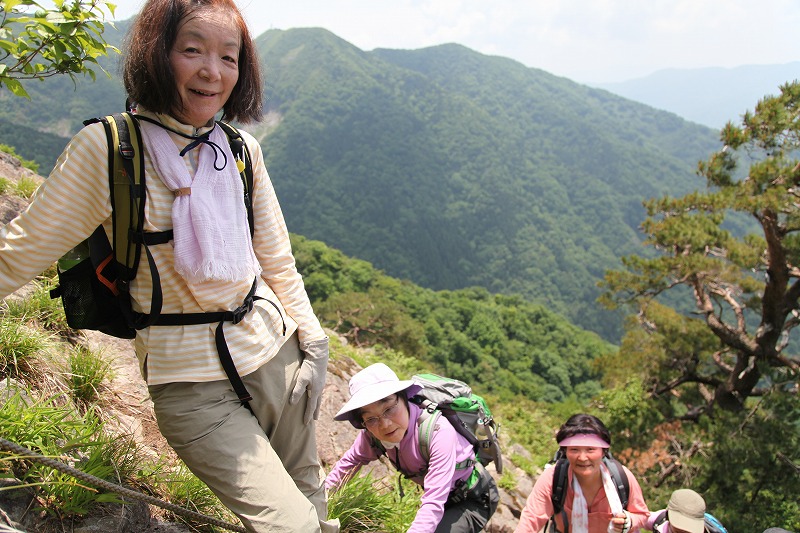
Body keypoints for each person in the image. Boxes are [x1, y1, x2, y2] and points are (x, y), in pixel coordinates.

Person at [0, 1, 338, 531]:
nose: (212, 71)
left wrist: (313, 342)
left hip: (277, 355)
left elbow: (275, 259)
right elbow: (18, 253)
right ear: (157, 54)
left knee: (313, 502)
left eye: (229, 57)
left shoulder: (239, 149)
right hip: (191, 385)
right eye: (192, 50)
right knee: (292, 526)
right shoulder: (110, 150)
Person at [325, 363, 500, 532]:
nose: (385, 424)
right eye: (371, 418)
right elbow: (350, 463)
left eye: (389, 409)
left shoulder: (438, 432)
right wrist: (319, 498)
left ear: (405, 398)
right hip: (445, 497)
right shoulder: (371, 434)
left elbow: (433, 503)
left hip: (474, 499)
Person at [515, 414, 650, 533]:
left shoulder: (622, 477)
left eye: (590, 449)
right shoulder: (553, 478)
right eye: (574, 449)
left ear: (603, 451)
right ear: (565, 451)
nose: (582, 458)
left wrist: (629, 521)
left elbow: (642, 515)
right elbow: (531, 520)